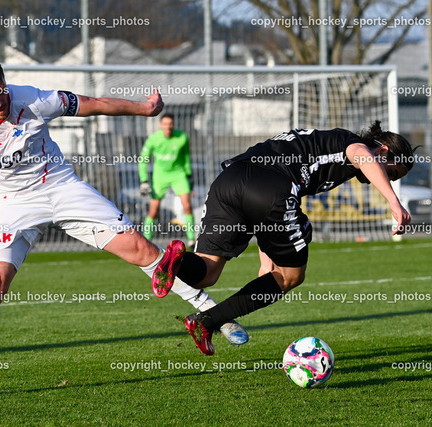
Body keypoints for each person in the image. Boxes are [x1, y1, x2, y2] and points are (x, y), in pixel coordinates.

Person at [0, 54, 246, 402]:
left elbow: (91, 104)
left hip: (61, 187)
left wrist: (144, 110)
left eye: (1, 91)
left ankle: (212, 314)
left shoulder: (34, 99)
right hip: (10, 206)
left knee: (141, 250)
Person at [152, 124, 415, 355]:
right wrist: (394, 203)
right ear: (382, 152)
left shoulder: (326, 143)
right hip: (269, 187)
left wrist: (266, 261)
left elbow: (266, 207)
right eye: (391, 173)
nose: (387, 179)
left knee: (205, 272)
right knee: (291, 276)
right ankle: (206, 323)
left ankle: (175, 261)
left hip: (229, 181)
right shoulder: (352, 145)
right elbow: (362, 156)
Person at [139, 113, 196, 247]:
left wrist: (189, 176)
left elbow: (186, 158)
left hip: (178, 174)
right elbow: (143, 159)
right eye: (165, 124)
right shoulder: (154, 139)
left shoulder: (182, 137)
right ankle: (146, 241)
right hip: (160, 176)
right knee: (153, 210)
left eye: (170, 124)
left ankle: (192, 240)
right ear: (161, 125)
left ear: (173, 125)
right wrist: (144, 180)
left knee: (187, 205)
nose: (168, 127)